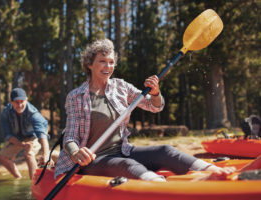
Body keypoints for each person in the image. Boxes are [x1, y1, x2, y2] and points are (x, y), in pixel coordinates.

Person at [54, 38, 235, 181]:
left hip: (122, 150)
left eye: (111, 62)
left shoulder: (120, 87)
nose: (108, 67)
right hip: (92, 160)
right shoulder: (76, 96)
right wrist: (76, 152)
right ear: (89, 64)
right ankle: (161, 188)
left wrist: (156, 93)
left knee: (165, 151)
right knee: (126, 165)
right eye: (102, 61)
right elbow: (70, 136)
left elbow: (154, 106)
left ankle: (216, 172)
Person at [0, 88, 53, 179]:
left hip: (34, 135)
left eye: (22, 101)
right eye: (16, 102)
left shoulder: (34, 114)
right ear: (11, 102)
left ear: (26, 100)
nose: (19, 105)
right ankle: (18, 178)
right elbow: (8, 135)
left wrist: (46, 154)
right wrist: (22, 144)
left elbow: (42, 135)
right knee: (2, 157)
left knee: (29, 153)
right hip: (18, 137)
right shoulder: (5, 112)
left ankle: (35, 182)